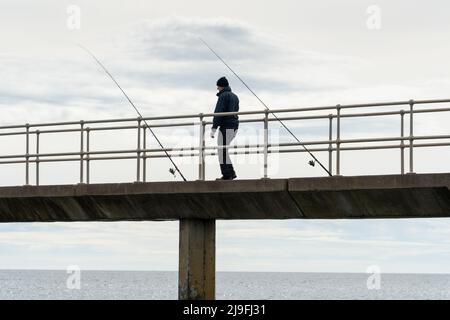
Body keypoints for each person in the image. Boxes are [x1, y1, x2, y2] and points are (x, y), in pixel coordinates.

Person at [210, 76, 239, 180]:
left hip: (226, 126)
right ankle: (230, 173)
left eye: (218, 87)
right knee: (224, 149)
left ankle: (228, 174)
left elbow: (219, 112)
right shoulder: (235, 96)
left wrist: (214, 128)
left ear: (221, 86)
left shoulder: (223, 96)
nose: (217, 89)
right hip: (234, 125)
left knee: (221, 149)